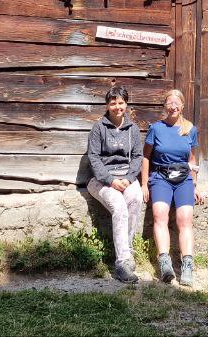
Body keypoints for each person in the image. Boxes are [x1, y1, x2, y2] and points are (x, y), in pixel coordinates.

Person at [141, 88, 204, 286]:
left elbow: (192, 159)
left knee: (184, 218)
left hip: (184, 178)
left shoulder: (190, 129)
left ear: (183, 106)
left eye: (177, 102)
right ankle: (165, 263)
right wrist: (144, 184)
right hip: (160, 177)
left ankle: (187, 265)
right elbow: (146, 157)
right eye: (169, 103)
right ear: (164, 106)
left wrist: (194, 186)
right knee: (160, 214)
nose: (173, 106)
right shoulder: (156, 128)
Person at [86, 85, 144, 284]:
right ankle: (122, 263)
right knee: (119, 207)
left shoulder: (133, 129)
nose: (117, 106)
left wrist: (128, 179)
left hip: (126, 178)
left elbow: (137, 157)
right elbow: (93, 158)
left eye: (121, 102)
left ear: (126, 104)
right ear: (107, 105)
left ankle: (126, 252)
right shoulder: (99, 128)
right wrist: (111, 181)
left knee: (135, 199)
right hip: (101, 181)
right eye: (113, 103)